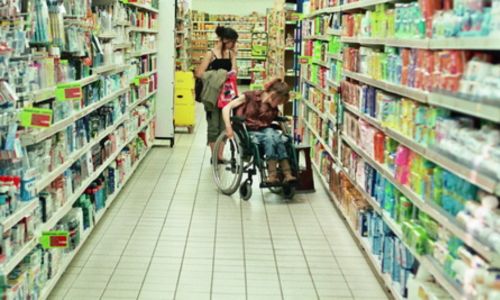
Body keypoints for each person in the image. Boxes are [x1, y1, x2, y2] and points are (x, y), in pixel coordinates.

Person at [222, 78, 296, 184]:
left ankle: (287, 174)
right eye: (280, 101)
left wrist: (285, 128)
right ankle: (272, 175)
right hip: (248, 131)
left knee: (276, 136)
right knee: (270, 137)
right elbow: (226, 108)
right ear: (273, 95)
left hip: (265, 130)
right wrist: (228, 128)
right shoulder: (250, 96)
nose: (279, 104)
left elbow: (277, 118)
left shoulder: (273, 107)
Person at [195, 26, 238, 163]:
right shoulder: (211, 54)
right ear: (224, 40)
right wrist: (220, 75)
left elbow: (234, 71)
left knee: (224, 125)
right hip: (212, 95)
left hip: (226, 95)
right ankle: (214, 156)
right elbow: (200, 73)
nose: (234, 45)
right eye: (232, 41)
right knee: (213, 125)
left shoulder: (230, 54)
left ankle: (219, 156)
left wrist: (235, 57)